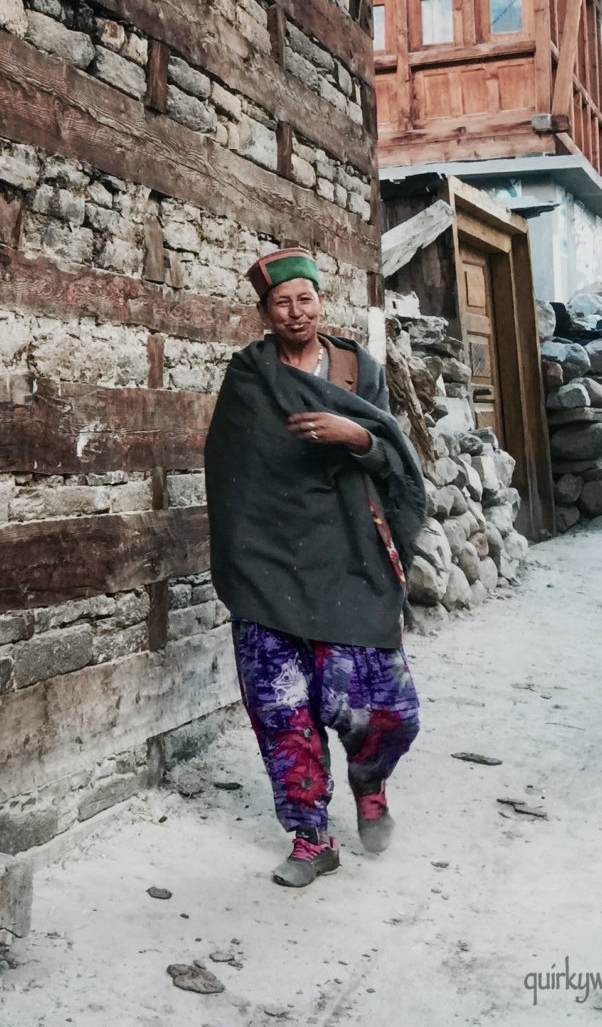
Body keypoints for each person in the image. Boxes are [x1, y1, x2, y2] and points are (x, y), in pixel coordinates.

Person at [203, 248, 428, 887]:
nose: (295, 312)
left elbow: (395, 454)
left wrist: (354, 437)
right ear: (264, 313)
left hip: (350, 552)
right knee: (281, 703)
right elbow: (230, 467)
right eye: (282, 303)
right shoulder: (249, 375)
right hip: (268, 560)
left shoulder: (359, 370)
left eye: (306, 299)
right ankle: (310, 836)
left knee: (384, 707)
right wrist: (241, 553)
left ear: (321, 302)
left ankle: (369, 777)